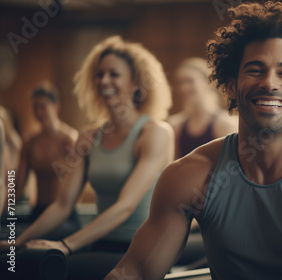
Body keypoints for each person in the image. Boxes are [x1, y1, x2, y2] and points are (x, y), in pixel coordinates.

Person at [106, 2, 282, 280]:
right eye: (255, 69)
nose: (269, 83)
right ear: (231, 86)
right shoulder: (189, 176)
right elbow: (136, 271)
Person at [0, 36, 174, 279]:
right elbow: (63, 204)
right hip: (101, 244)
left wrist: (67, 245)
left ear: (136, 83)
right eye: (99, 74)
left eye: (113, 74)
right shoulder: (89, 136)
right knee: (18, 264)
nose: (104, 80)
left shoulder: (155, 133)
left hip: (142, 250)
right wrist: (18, 241)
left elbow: (125, 206)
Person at [11, 82, 81, 238]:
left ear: (56, 106)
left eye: (43, 106)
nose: (38, 111)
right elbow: (18, 187)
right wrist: (4, 212)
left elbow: (79, 181)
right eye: (35, 107)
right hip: (38, 211)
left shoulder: (69, 139)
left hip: (64, 214)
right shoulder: (29, 142)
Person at [168, 57, 237, 159]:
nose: (183, 88)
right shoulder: (174, 125)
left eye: (189, 81)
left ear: (207, 82)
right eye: (179, 83)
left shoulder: (226, 123)